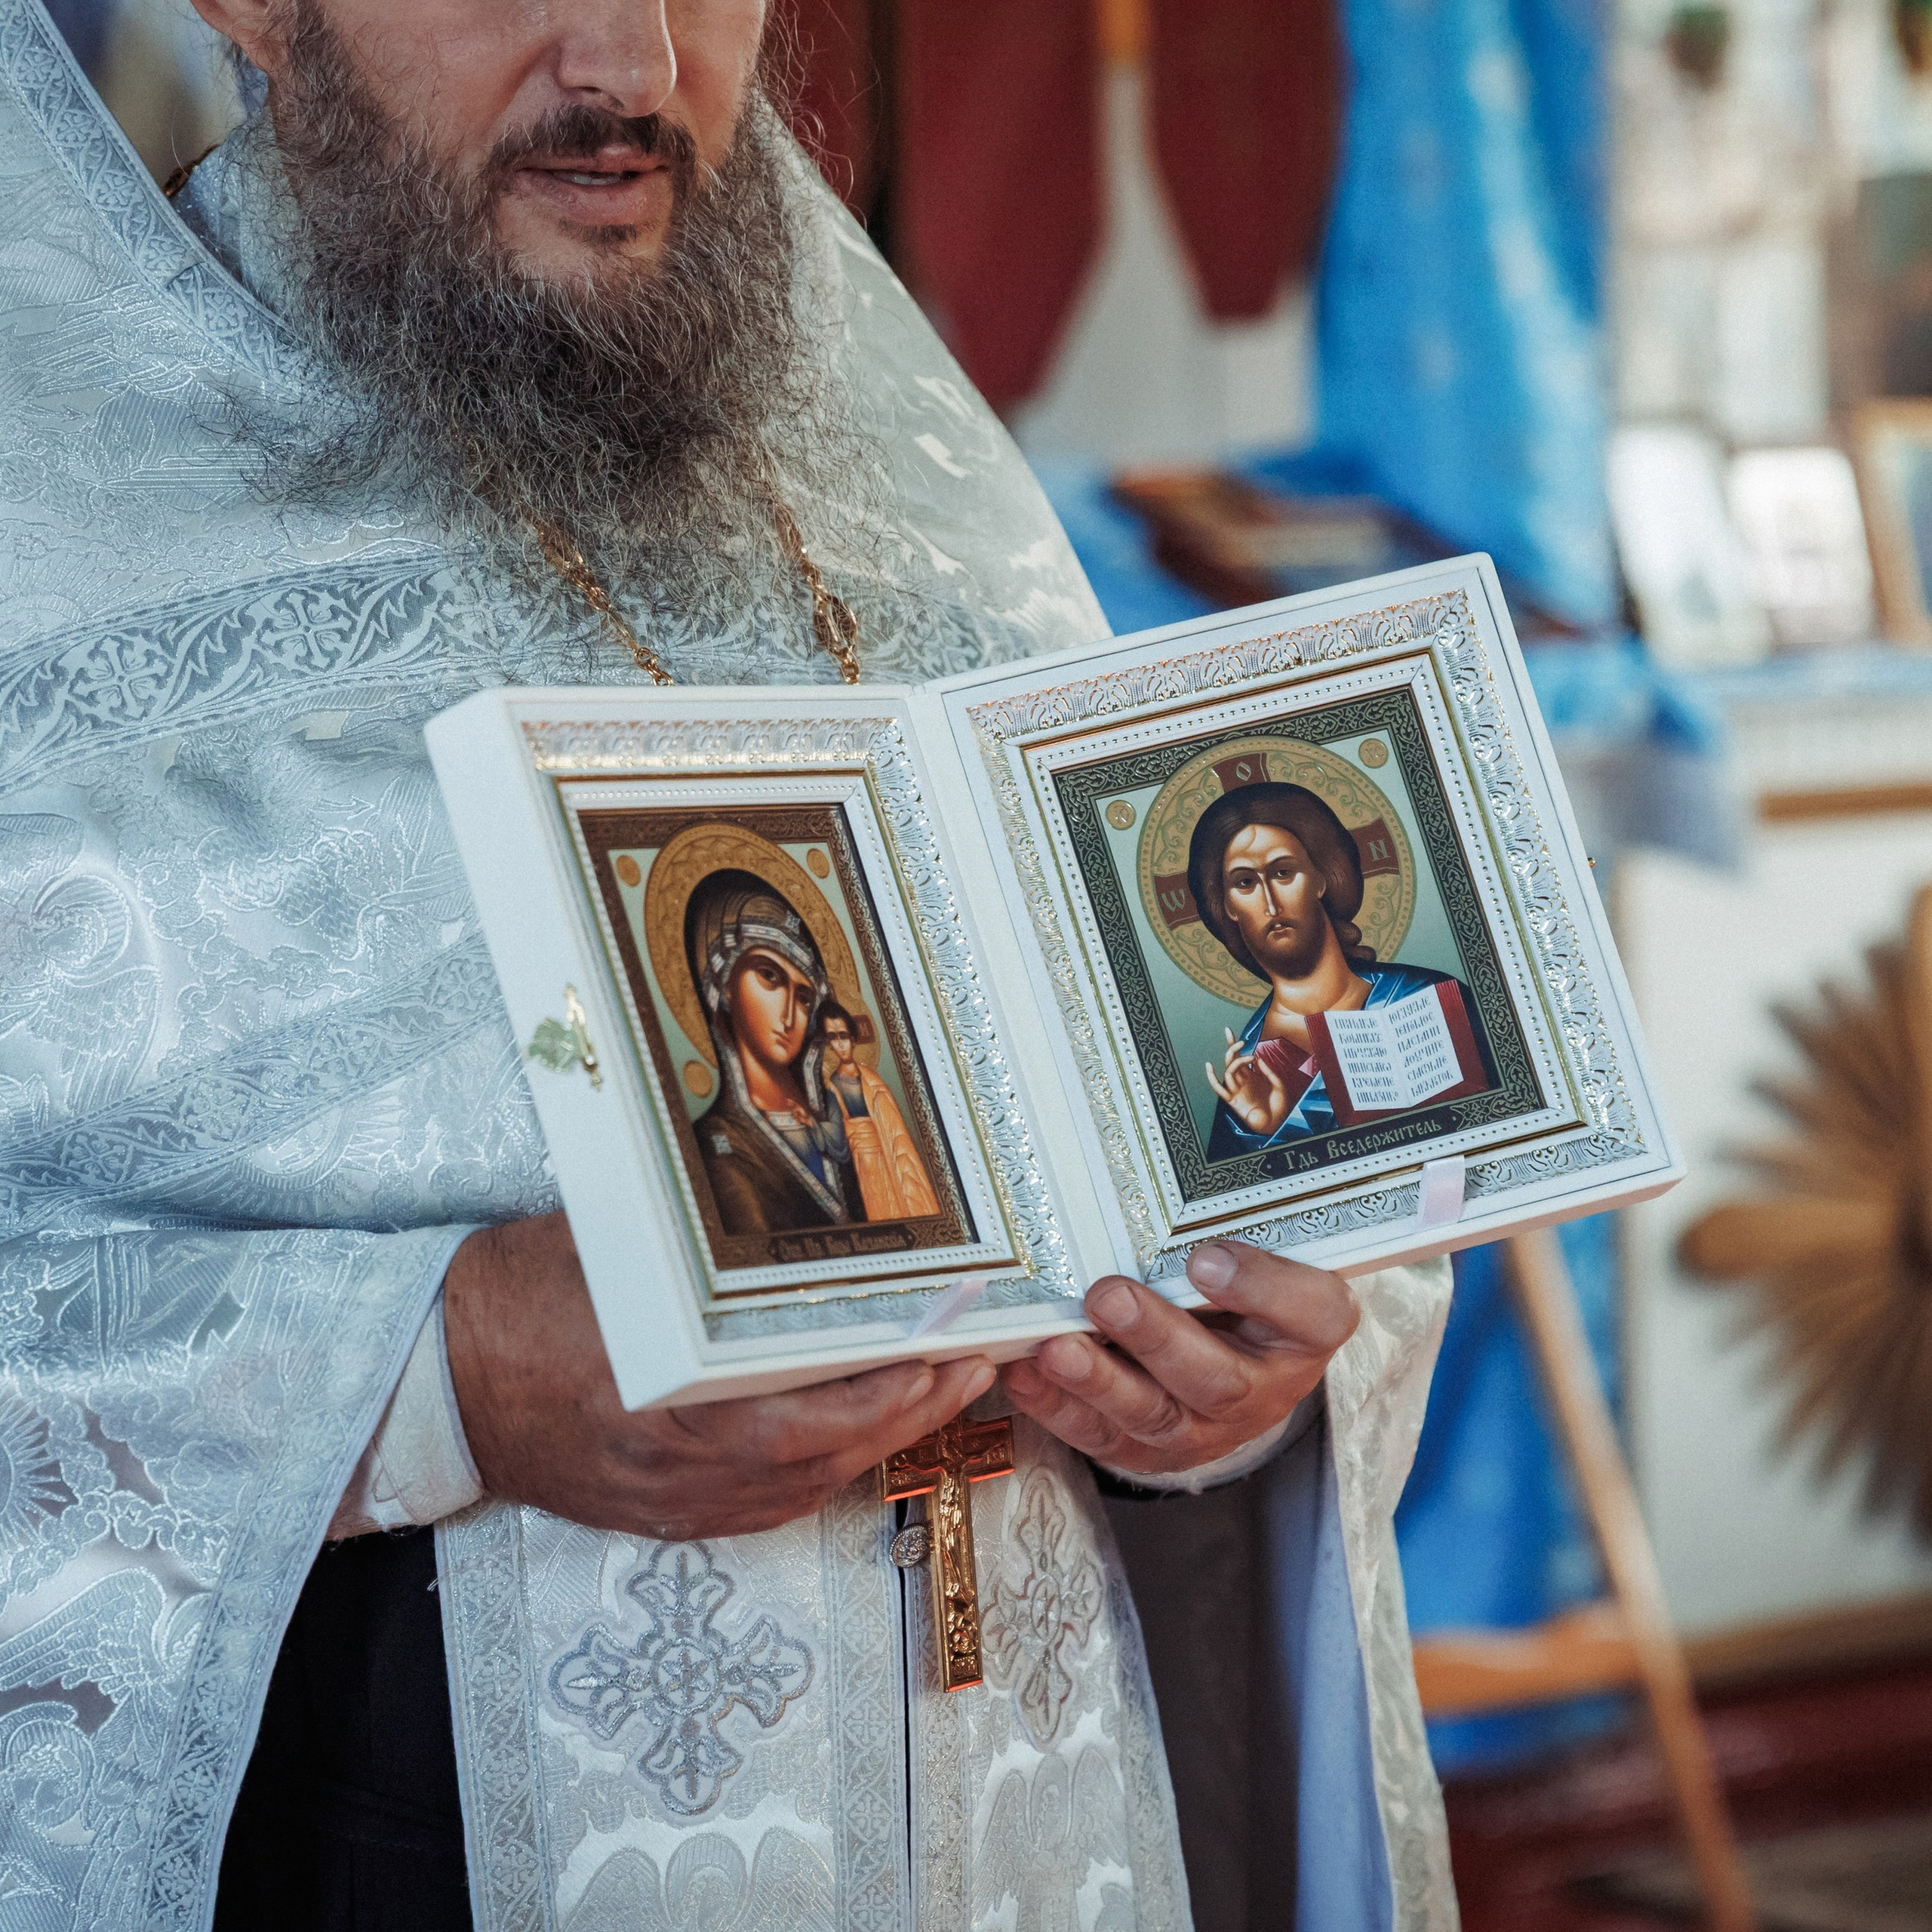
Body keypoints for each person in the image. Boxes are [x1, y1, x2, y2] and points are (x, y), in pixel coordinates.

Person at [0, 2, 1454, 1927]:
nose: (626, 57)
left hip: (1022, 1814)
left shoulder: (908, 477)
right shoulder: (50, 517)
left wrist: (1227, 1381)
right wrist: (441, 1379)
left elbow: (1180, 1119)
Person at [1191, 780, 1485, 1157]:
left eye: (1283, 873)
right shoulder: (1249, 1076)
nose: (1269, 902)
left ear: (1321, 877)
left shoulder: (1427, 998)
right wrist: (1271, 1131)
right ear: (1229, 906)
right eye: (1245, 882)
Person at [687, 871, 865, 1234]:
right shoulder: (720, 1145)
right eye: (769, 976)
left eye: (803, 998)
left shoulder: (837, 1118)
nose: (788, 1016)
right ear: (725, 983)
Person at [814, 1000, 942, 1223]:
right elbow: (838, 1139)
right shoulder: (833, 1086)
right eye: (833, 1038)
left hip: (893, 1153)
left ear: (853, 1040)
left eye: (843, 1036)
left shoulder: (873, 1080)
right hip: (866, 1164)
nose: (840, 1044)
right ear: (828, 1044)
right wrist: (812, 1123)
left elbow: (896, 1128)